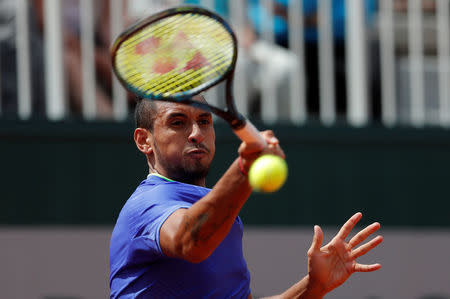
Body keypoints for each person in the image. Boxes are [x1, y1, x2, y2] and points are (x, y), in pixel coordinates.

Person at [109, 94, 383, 298]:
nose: (196, 134)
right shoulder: (146, 206)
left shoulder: (221, 216)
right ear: (144, 140)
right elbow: (190, 241)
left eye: (204, 121)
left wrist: (313, 286)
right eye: (178, 123)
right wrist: (244, 168)